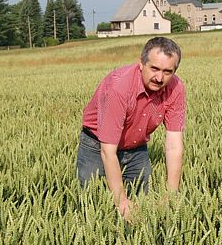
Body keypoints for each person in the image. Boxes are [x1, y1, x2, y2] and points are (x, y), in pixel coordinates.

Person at [77, 37, 186, 220]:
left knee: (140, 203)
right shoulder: (118, 88)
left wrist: (171, 195)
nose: (159, 78)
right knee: (93, 204)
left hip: (137, 147)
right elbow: (107, 151)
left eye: (167, 71)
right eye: (154, 68)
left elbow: (174, 145)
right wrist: (120, 201)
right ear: (141, 63)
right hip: (97, 145)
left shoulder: (176, 88)